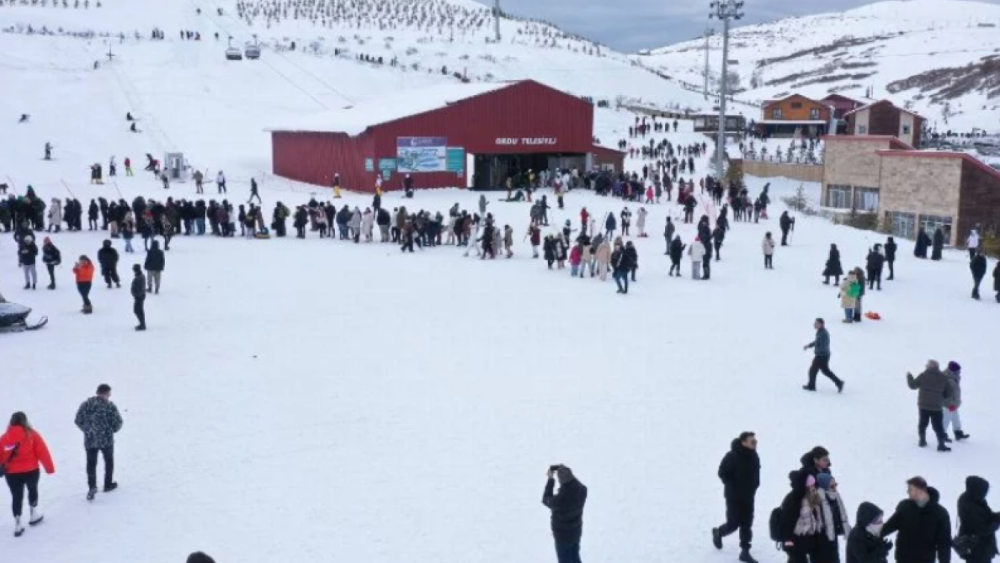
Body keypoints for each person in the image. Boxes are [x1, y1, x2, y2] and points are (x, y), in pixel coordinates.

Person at [0, 412, 55, 537]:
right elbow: (43, 452)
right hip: (31, 471)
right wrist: (49, 468)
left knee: (16, 496)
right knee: (32, 490)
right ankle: (33, 514)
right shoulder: (32, 435)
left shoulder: (4, 438)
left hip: (12, 474)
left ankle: (18, 523)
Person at [712, 432, 760, 563]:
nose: (755, 443)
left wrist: (755, 486)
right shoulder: (732, 456)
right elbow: (722, 472)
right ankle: (718, 532)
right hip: (734, 497)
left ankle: (745, 552)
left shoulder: (754, 455)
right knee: (733, 524)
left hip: (749, 496)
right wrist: (733, 487)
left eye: (755, 441)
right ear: (743, 442)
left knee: (747, 524)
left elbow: (756, 474)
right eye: (752, 441)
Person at [881, 477, 952, 563]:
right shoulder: (904, 506)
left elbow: (944, 543)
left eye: (910, 489)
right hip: (902, 560)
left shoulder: (940, 514)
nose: (907, 491)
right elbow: (889, 526)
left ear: (919, 490)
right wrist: (868, 534)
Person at [75, 384, 123, 500]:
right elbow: (118, 422)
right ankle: (108, 484)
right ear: (105, 393)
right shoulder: (110, 406)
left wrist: (87, 430)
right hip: (106, 440)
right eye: (109, 393)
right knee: (109, 462)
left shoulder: (86, 404)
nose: (110, 396)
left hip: (90, 440)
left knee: (91, 464)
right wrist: (112, 430)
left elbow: (77, 420)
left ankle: (92, 487)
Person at [542, 465, 587, 563]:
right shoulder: (582, 490)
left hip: (562, 537)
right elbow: (575, 482)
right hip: (575, 533)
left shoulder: (560, 500)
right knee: (575, 557)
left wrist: (550, 480)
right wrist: (559, 468)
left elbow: (546, 500)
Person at [906, 361, 953, 451]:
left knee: (923, 424)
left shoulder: (923, 375)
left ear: (928, 367)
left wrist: (909, 376)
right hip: (937, 407)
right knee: (938, 426)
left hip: (923, 406)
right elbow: (949, 393)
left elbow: (912, 386)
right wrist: (941, 397)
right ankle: (941, 445)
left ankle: (922, 441)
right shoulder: (943, 378)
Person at [779, 470, 823, 563]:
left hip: (804, 541)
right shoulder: (792, 500)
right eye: (811, 485)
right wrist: (789, 542)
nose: (814, 487)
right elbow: (786, 524)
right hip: (793, 543)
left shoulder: (811, 497)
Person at [957, 476, 1000, 563]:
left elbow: (988, 516)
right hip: (975, 549)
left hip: (982, 547)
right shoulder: (967, 504)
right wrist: (996, 524)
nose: (985, 494)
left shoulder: (977, 499)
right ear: (977, 490)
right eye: (984, 492)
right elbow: (982, 529)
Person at [815, 473, 851, 563]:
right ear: (824, 486)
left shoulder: (835, 496)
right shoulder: (817, 499)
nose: (835, 488)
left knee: (835, 558)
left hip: (832, 535)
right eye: (832, 486)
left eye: (835, 485)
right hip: (821, 539)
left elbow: (842, 514)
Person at [803, 318, 844, 393]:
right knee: (825, 371)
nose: (814, 324)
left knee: (812, 371)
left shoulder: (823, 333)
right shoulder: (820, 332)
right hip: (823, 355)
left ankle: (811, 386)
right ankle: (839, 382)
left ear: (821, 324)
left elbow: (822, 345)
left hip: (822, 356)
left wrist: (818, 351)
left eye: (816, 323)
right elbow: (817, 342)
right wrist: (809, 346)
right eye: (815, 323)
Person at [942, 361, 969, 442]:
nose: (959, 372)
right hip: (948, 404)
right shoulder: (947, 379)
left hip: (953, 404)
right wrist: (950, 404)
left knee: (956, 419)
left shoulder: (953, 377)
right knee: (946, 419)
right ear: (953, 371)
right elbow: (945, 394)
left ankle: (958, 433)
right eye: (958, 371)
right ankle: (942, 435)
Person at [131, 264, 146, 331]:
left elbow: (140, 287)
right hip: (139, 296)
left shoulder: (139, 277)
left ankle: (142, 324)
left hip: (139, 296)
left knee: (137, 310)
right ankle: (142, 324)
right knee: (138, 310)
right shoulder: (140, 275)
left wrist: (137, 294)